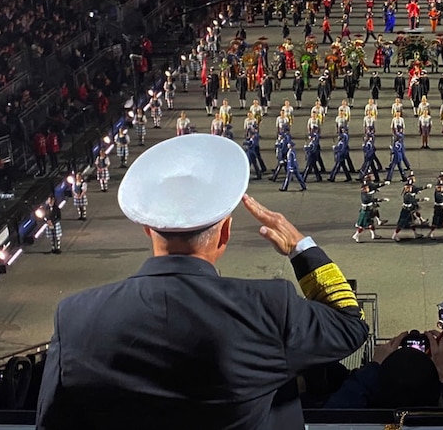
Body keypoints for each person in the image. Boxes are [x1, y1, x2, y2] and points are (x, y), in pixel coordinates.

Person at [36, 135, 368, 429]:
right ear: (224, 233)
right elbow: (348, 325)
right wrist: (301, 249)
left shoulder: (74, 318)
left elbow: (54, 421)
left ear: (148, 228)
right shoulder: (268, 308)